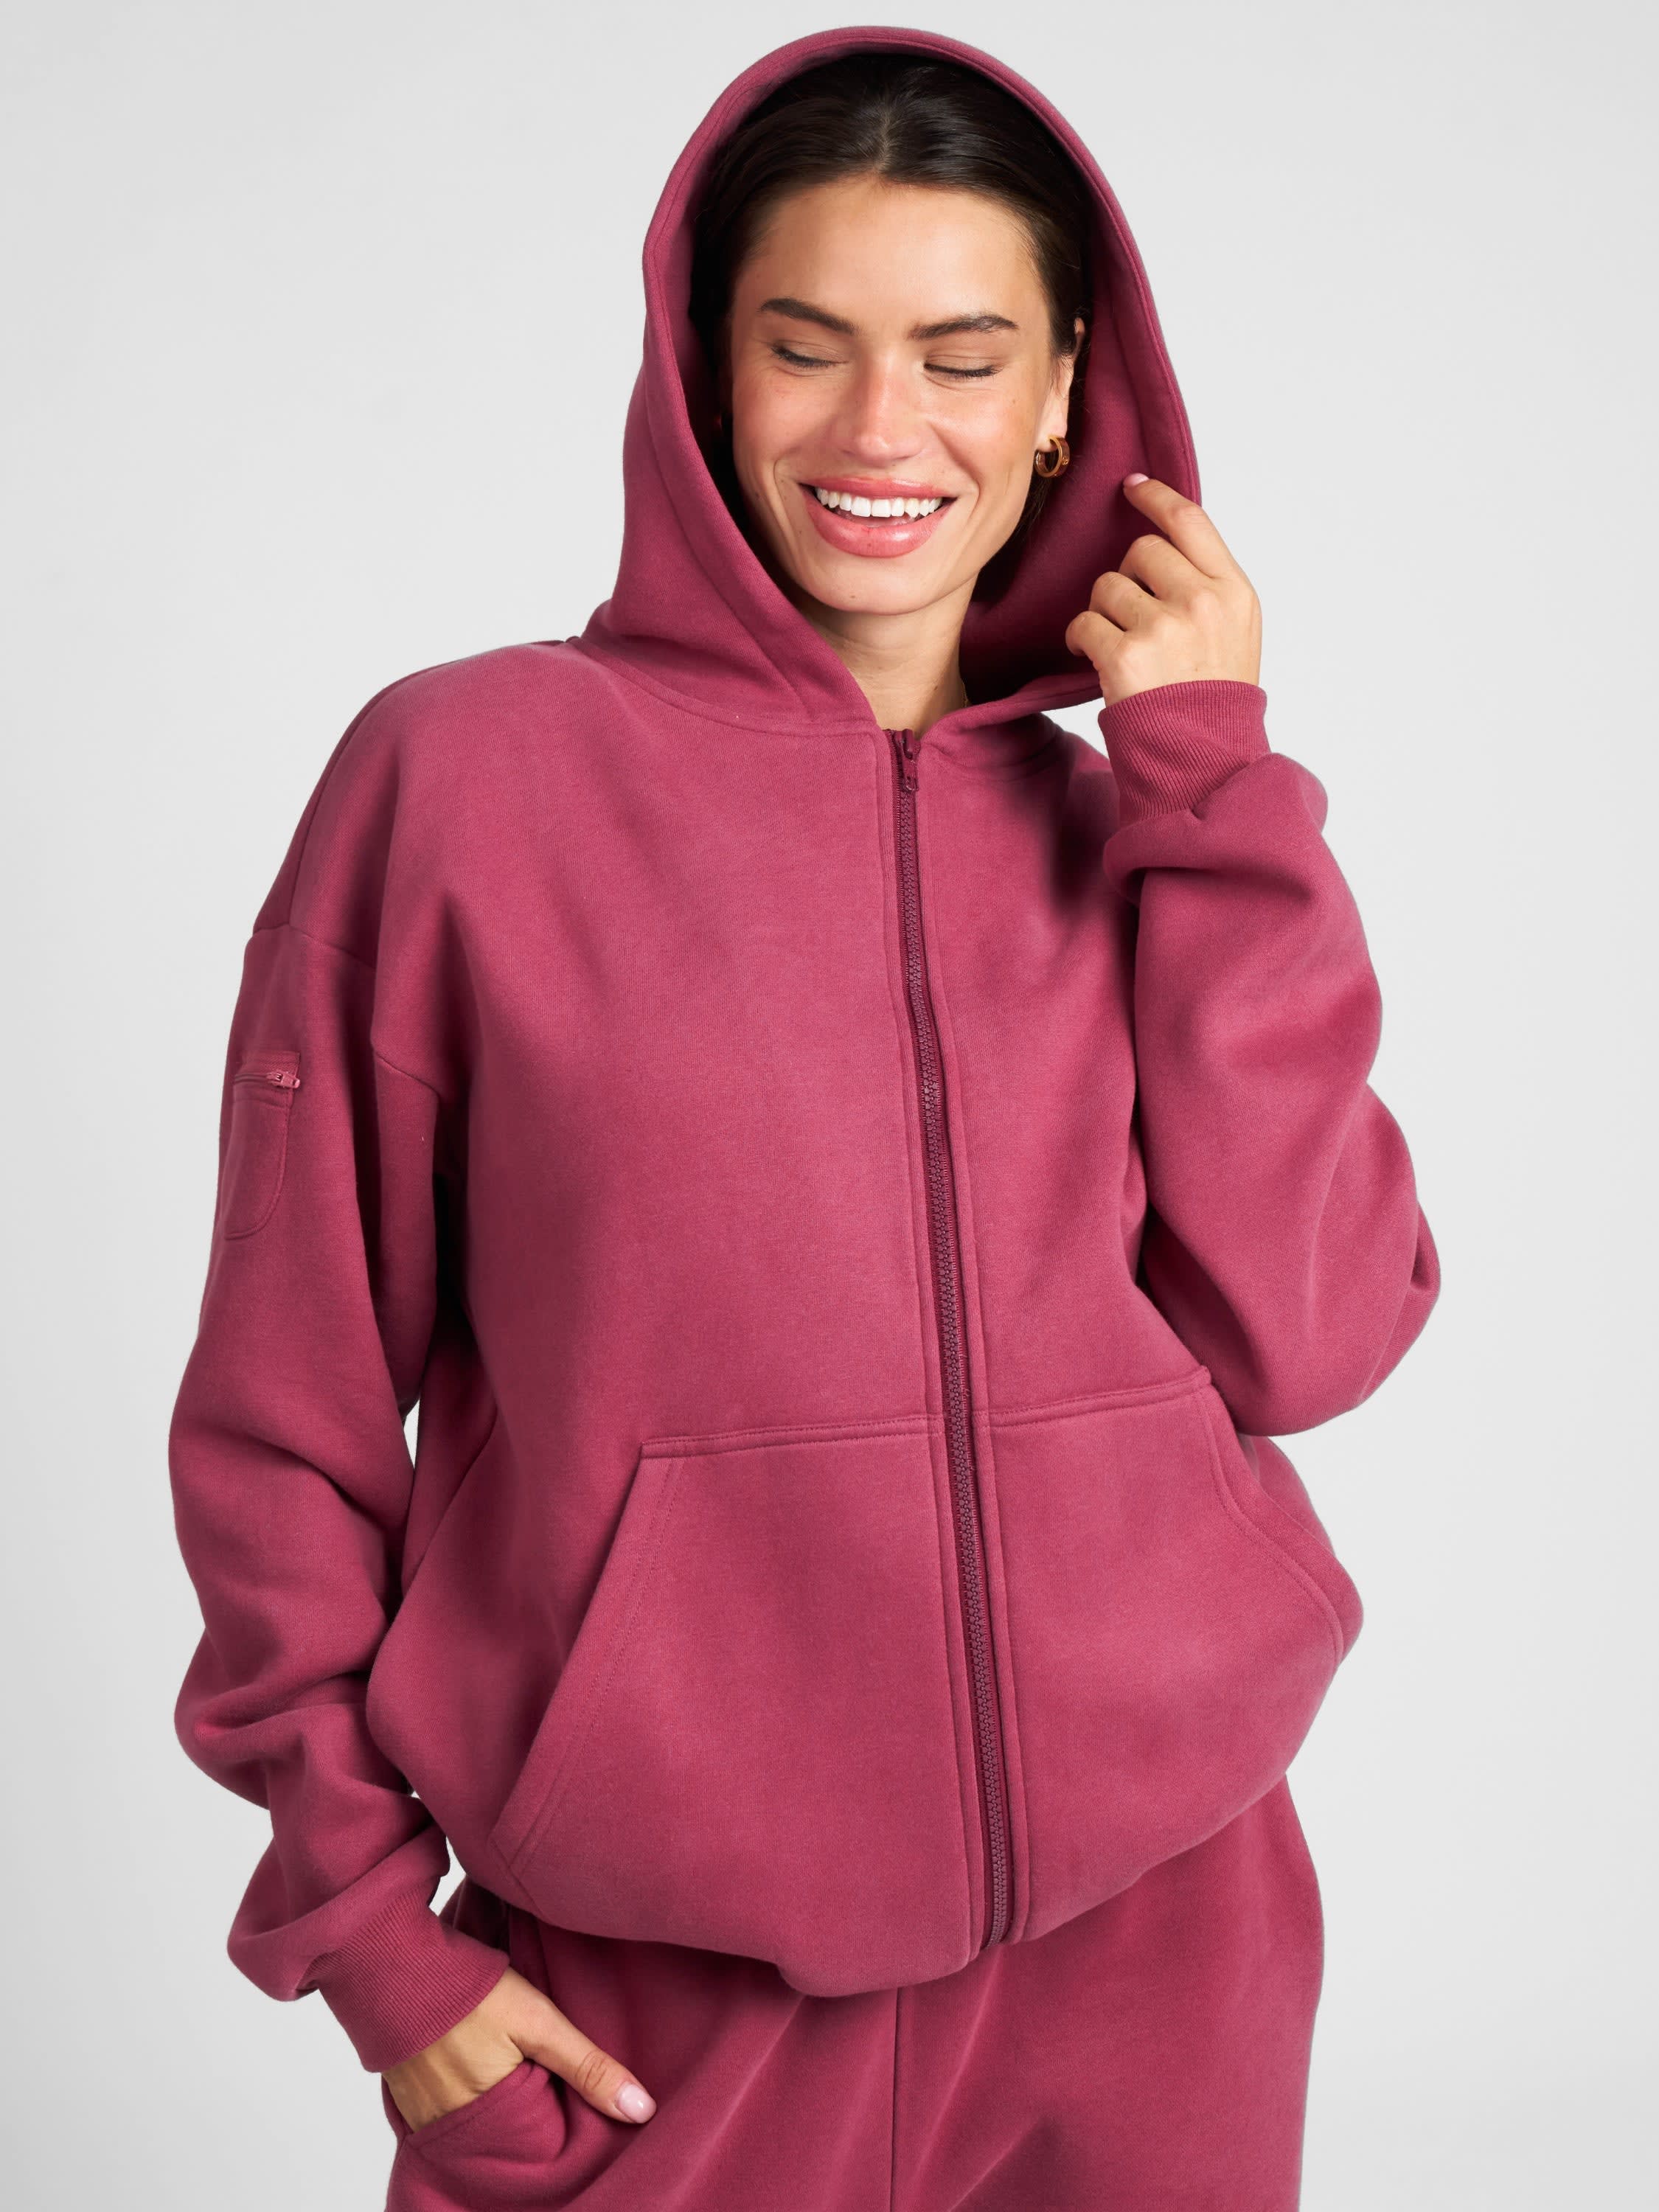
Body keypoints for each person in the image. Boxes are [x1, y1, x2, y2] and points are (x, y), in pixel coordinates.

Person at [167, 26, 1441, 2211]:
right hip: (658, 1997)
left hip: (1166, 1949)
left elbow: (1308, 1335)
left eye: (962, 355)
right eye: (804, 345)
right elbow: (287, 1407)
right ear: (700, 370)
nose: (879, 429)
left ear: (1064, 392)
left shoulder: (1152, 828)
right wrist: (371, 1939)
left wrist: (1216, 790)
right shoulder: (466, 786)